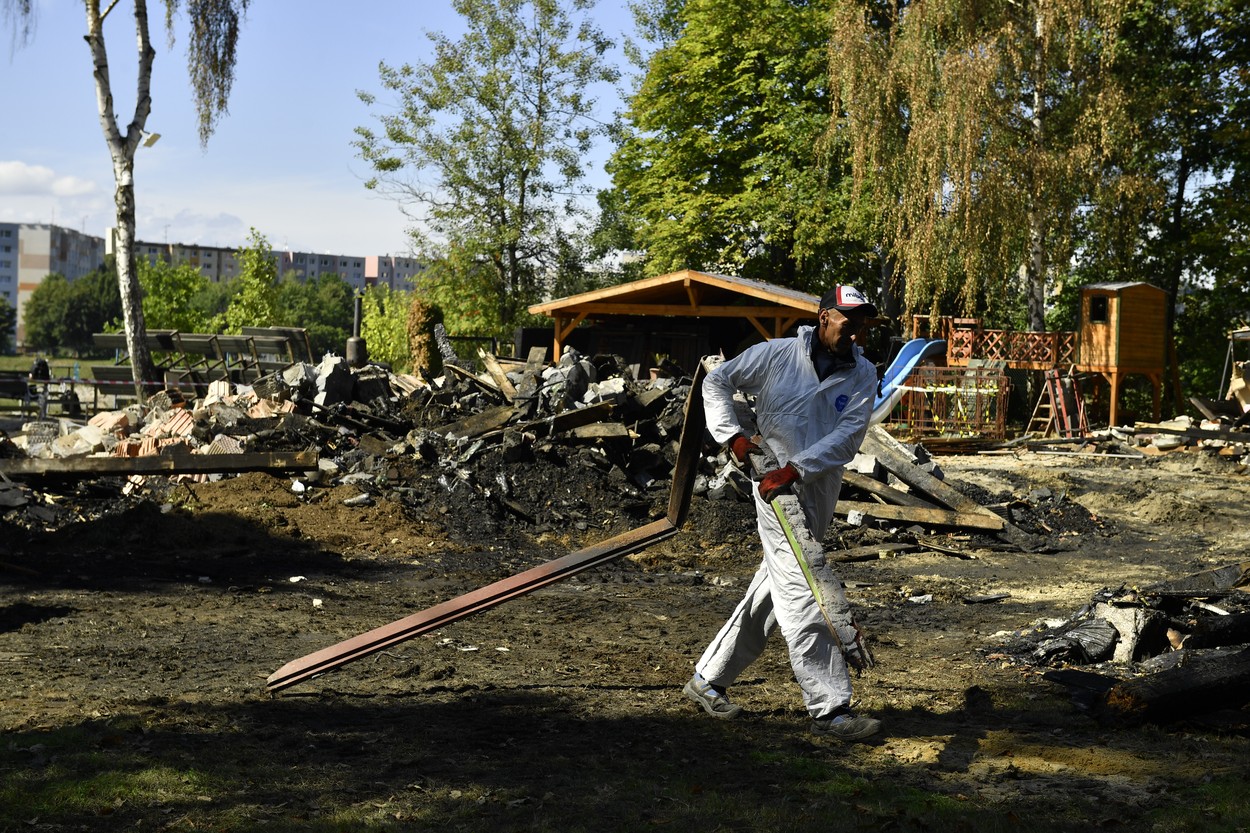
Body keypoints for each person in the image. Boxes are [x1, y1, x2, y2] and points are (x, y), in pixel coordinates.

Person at [683, 285, 882, 741]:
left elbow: (850, 435)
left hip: (816, 486)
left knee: (773, 588)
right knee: (805, 591)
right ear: (824, 316)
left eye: (862, 324)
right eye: (848, 322)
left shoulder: (863, 373)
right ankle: (830, 707)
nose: (855, 332)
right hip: (774, 490)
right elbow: (717, 381)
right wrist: (732, 436)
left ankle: (707, 679)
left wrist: (800, 468)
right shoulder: (775, 356)